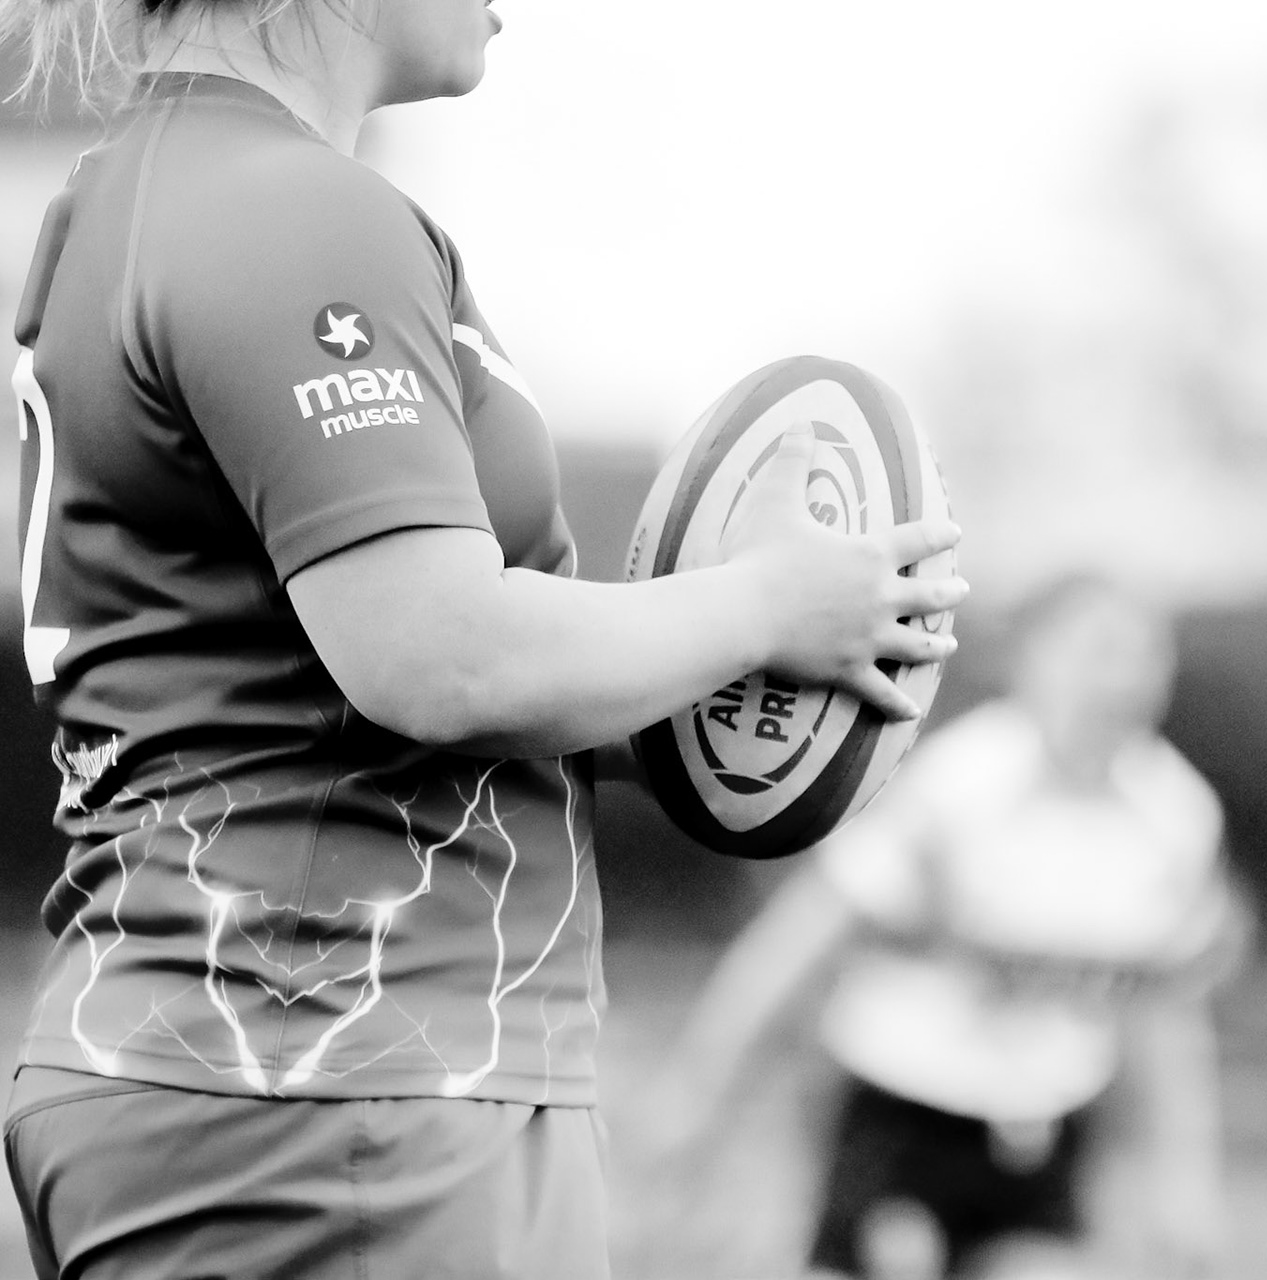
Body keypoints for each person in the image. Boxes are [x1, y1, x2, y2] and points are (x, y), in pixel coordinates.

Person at [0, 2, 965, 1277]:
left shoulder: (147, 192)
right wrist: (770, 605)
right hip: (336, 1078)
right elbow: (437, 657)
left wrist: (743, 654)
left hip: (274, 1064)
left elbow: (330, 677)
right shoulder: (291, 214)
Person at [645, 572, 1248, 1280]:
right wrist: (697, 1088)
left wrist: (1186, 1180)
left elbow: (1161, 1011)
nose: (1124, 677)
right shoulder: (958, 787)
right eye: (1099, 650)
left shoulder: (1177, 817)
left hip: (1043, 1130)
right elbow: (803, 938)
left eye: (1147, 656)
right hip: (905, 1117)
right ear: (1030, 662)